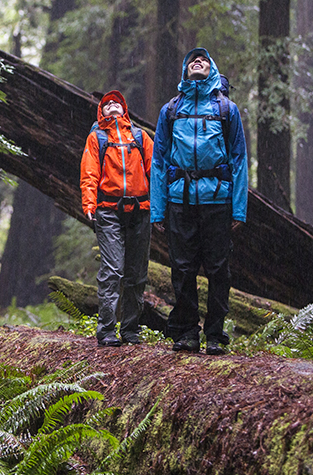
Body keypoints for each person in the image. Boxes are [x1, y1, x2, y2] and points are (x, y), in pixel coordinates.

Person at [150, 48, 247, 355]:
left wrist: (239, 208)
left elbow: (240, 160)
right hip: (180, 200)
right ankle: (188, 332)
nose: (198, 62)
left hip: (217, 200)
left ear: (212, 69)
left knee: (218, 269)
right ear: (185, 70)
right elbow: (159, 161)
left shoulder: (226, 109)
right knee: (182, 268)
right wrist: (157, 208)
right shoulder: (170, 110)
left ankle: (216, 335)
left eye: (204, 60)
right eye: (193, 60)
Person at [81, 90, 154, 347]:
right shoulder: (97, 138)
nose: (112, 106)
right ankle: (107, 329)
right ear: (101, 112)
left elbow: (153, 171)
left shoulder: (140, 137)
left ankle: (131, 330)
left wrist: (159, 206)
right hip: (108, 210)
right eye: (107, 104)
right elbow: (89, 173)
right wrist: (89, 202)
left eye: (117, 103)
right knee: (112, 270)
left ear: (124, 111)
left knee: (137, 272)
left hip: (140, 211)